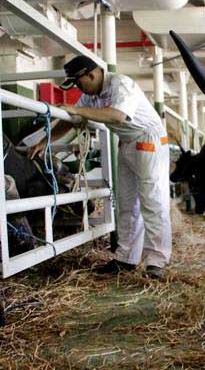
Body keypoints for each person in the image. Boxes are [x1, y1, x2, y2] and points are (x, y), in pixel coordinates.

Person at [28, 56, 171, 279]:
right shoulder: (91, 95)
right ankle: (126, 259)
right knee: (127, 204)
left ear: (92, 74)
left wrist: (77, 110)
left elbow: (118, 114)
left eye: (78, 82)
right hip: (127, 144)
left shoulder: (120, 84)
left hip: (148, 140)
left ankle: (156, 262)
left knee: (152, 202)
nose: (78, 87)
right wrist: (44, 141)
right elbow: (70, 121)